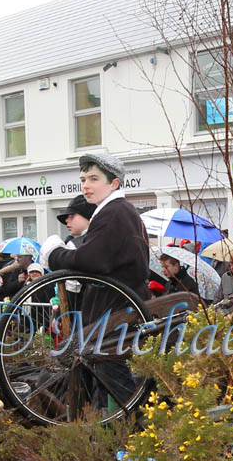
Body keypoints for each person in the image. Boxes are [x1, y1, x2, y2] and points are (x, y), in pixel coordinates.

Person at [38, 153, 149, 410]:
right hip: (113, 310)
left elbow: (91, 260)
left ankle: (134, 434)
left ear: (114, 183)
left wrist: (54, 254)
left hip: (116, 313)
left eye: (94, 179)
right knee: (108, 381)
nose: (86, 185)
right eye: (83, 179)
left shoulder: (114, 212)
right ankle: (117, 434)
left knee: (116, 383)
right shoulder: (114, 211)